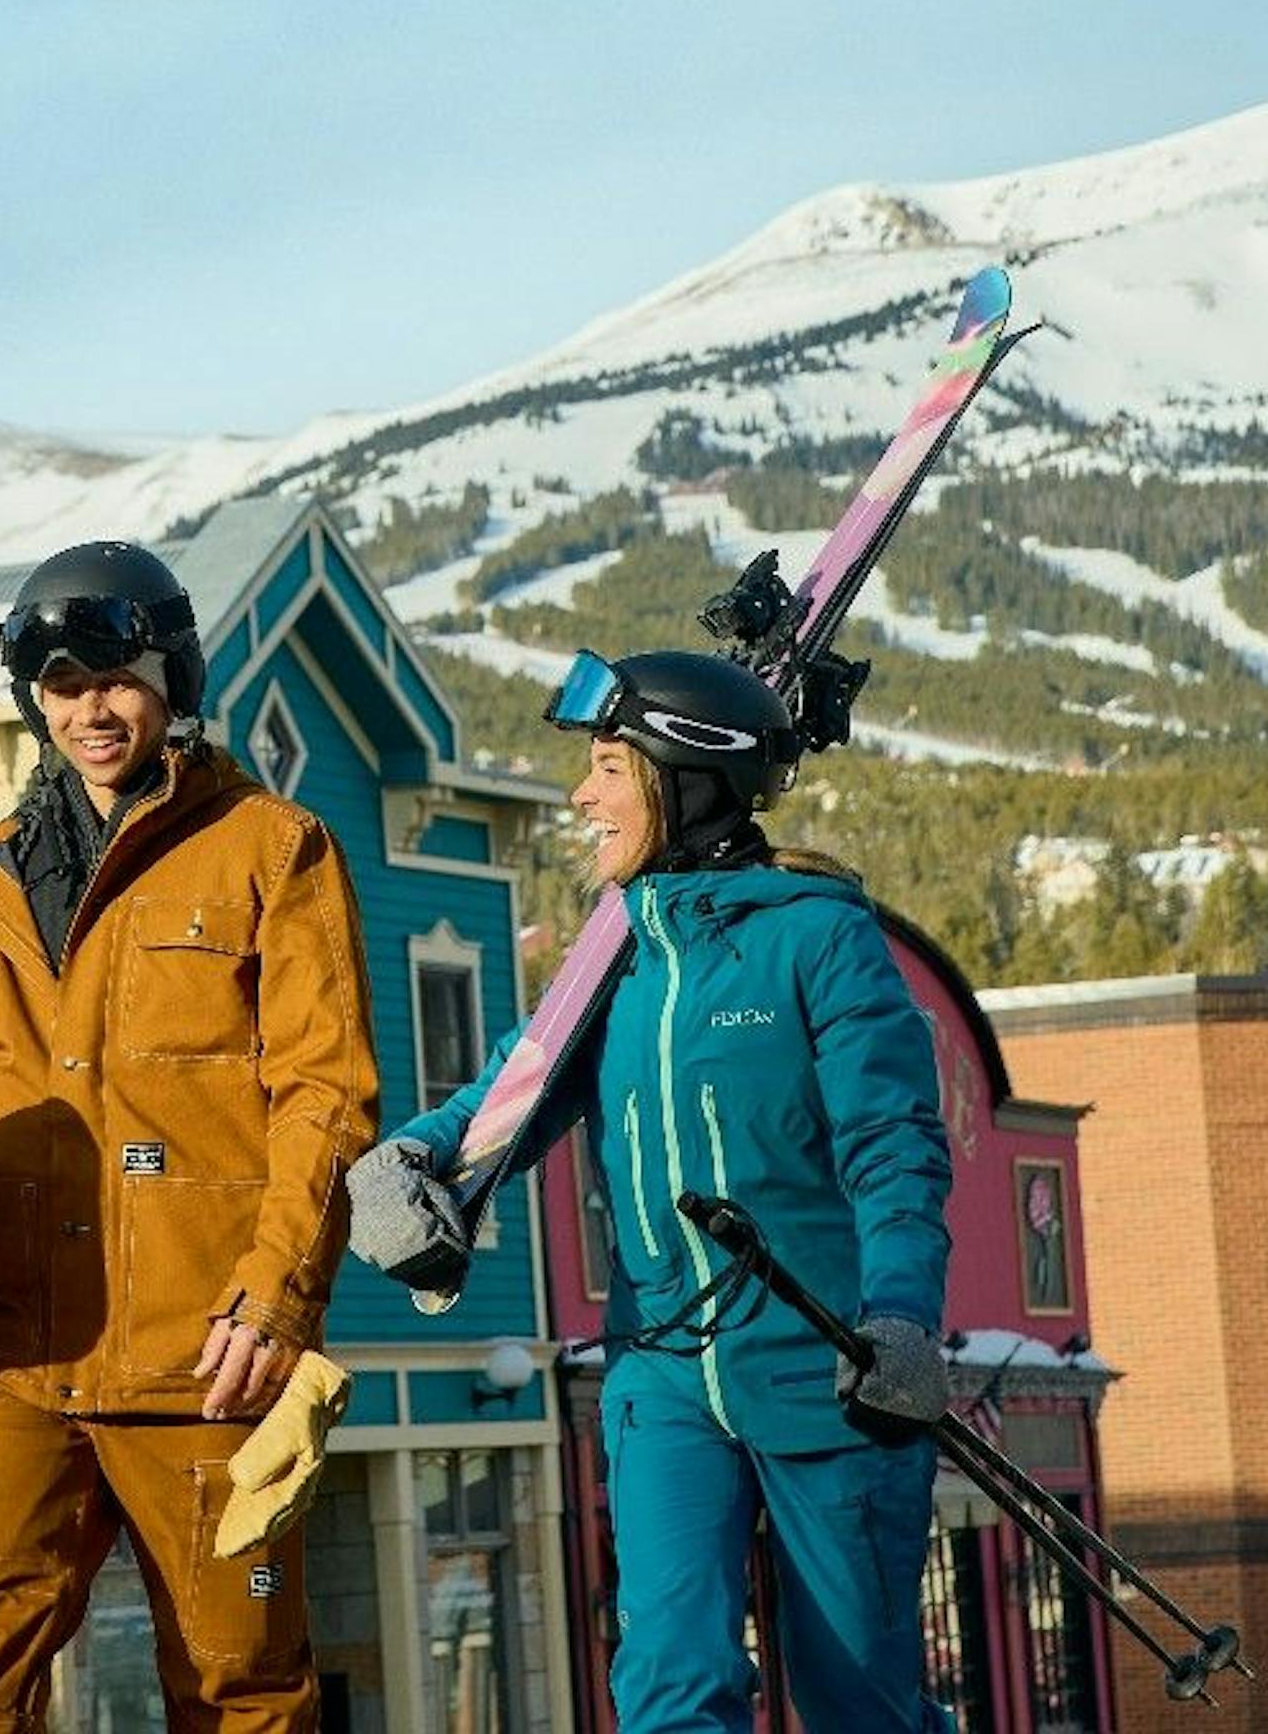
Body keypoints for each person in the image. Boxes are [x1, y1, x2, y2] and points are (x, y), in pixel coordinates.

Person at [0, 538, 377, 1731]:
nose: (90, 709)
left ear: (173, 675)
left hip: (204, 1357)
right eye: (61, 688)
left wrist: (276, 1296)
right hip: (7, 1360)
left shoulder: (273, 850)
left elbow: (324, 1094)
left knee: (243, 1691)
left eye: (114, 676)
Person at [350, 646, 957, 1733]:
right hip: (663, 1378)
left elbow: (894, 1146)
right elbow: (511, 1089)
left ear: (685, 773)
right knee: (673, 1687)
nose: (582, 796)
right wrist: (409, 1163)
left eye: (607, 769)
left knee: (858, 1698)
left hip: (827, 1371)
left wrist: (904, 1316)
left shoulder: (816, 938)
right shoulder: (611, 960)